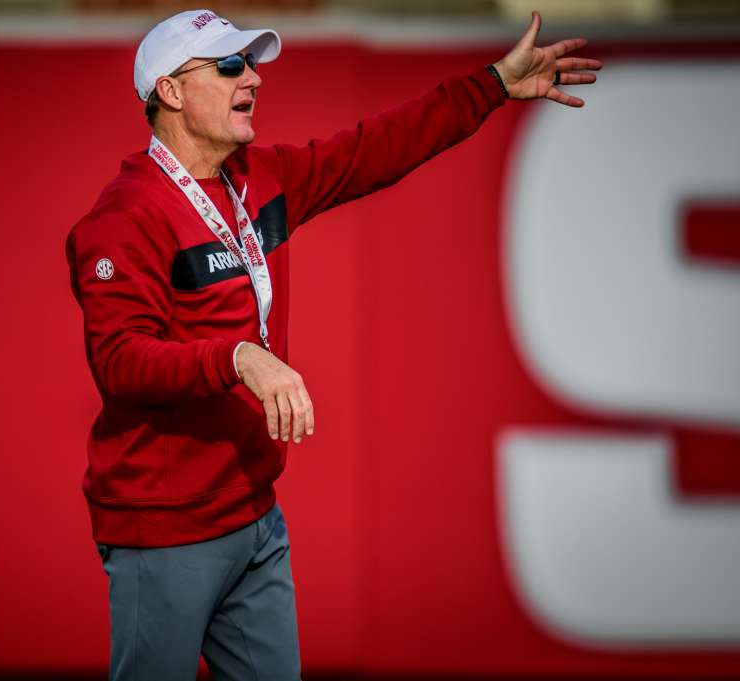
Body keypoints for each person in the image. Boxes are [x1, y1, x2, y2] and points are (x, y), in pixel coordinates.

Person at [66, 8, 601, 680]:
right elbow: (120, 361)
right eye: (229, 66)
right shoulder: (126, 217)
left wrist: (491, 85)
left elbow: (371, 150)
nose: (252, 78)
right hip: (164, 529)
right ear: (169, 91)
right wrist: (238, 357)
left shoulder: (259, 178)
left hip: (254, 516)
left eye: (250, 63)